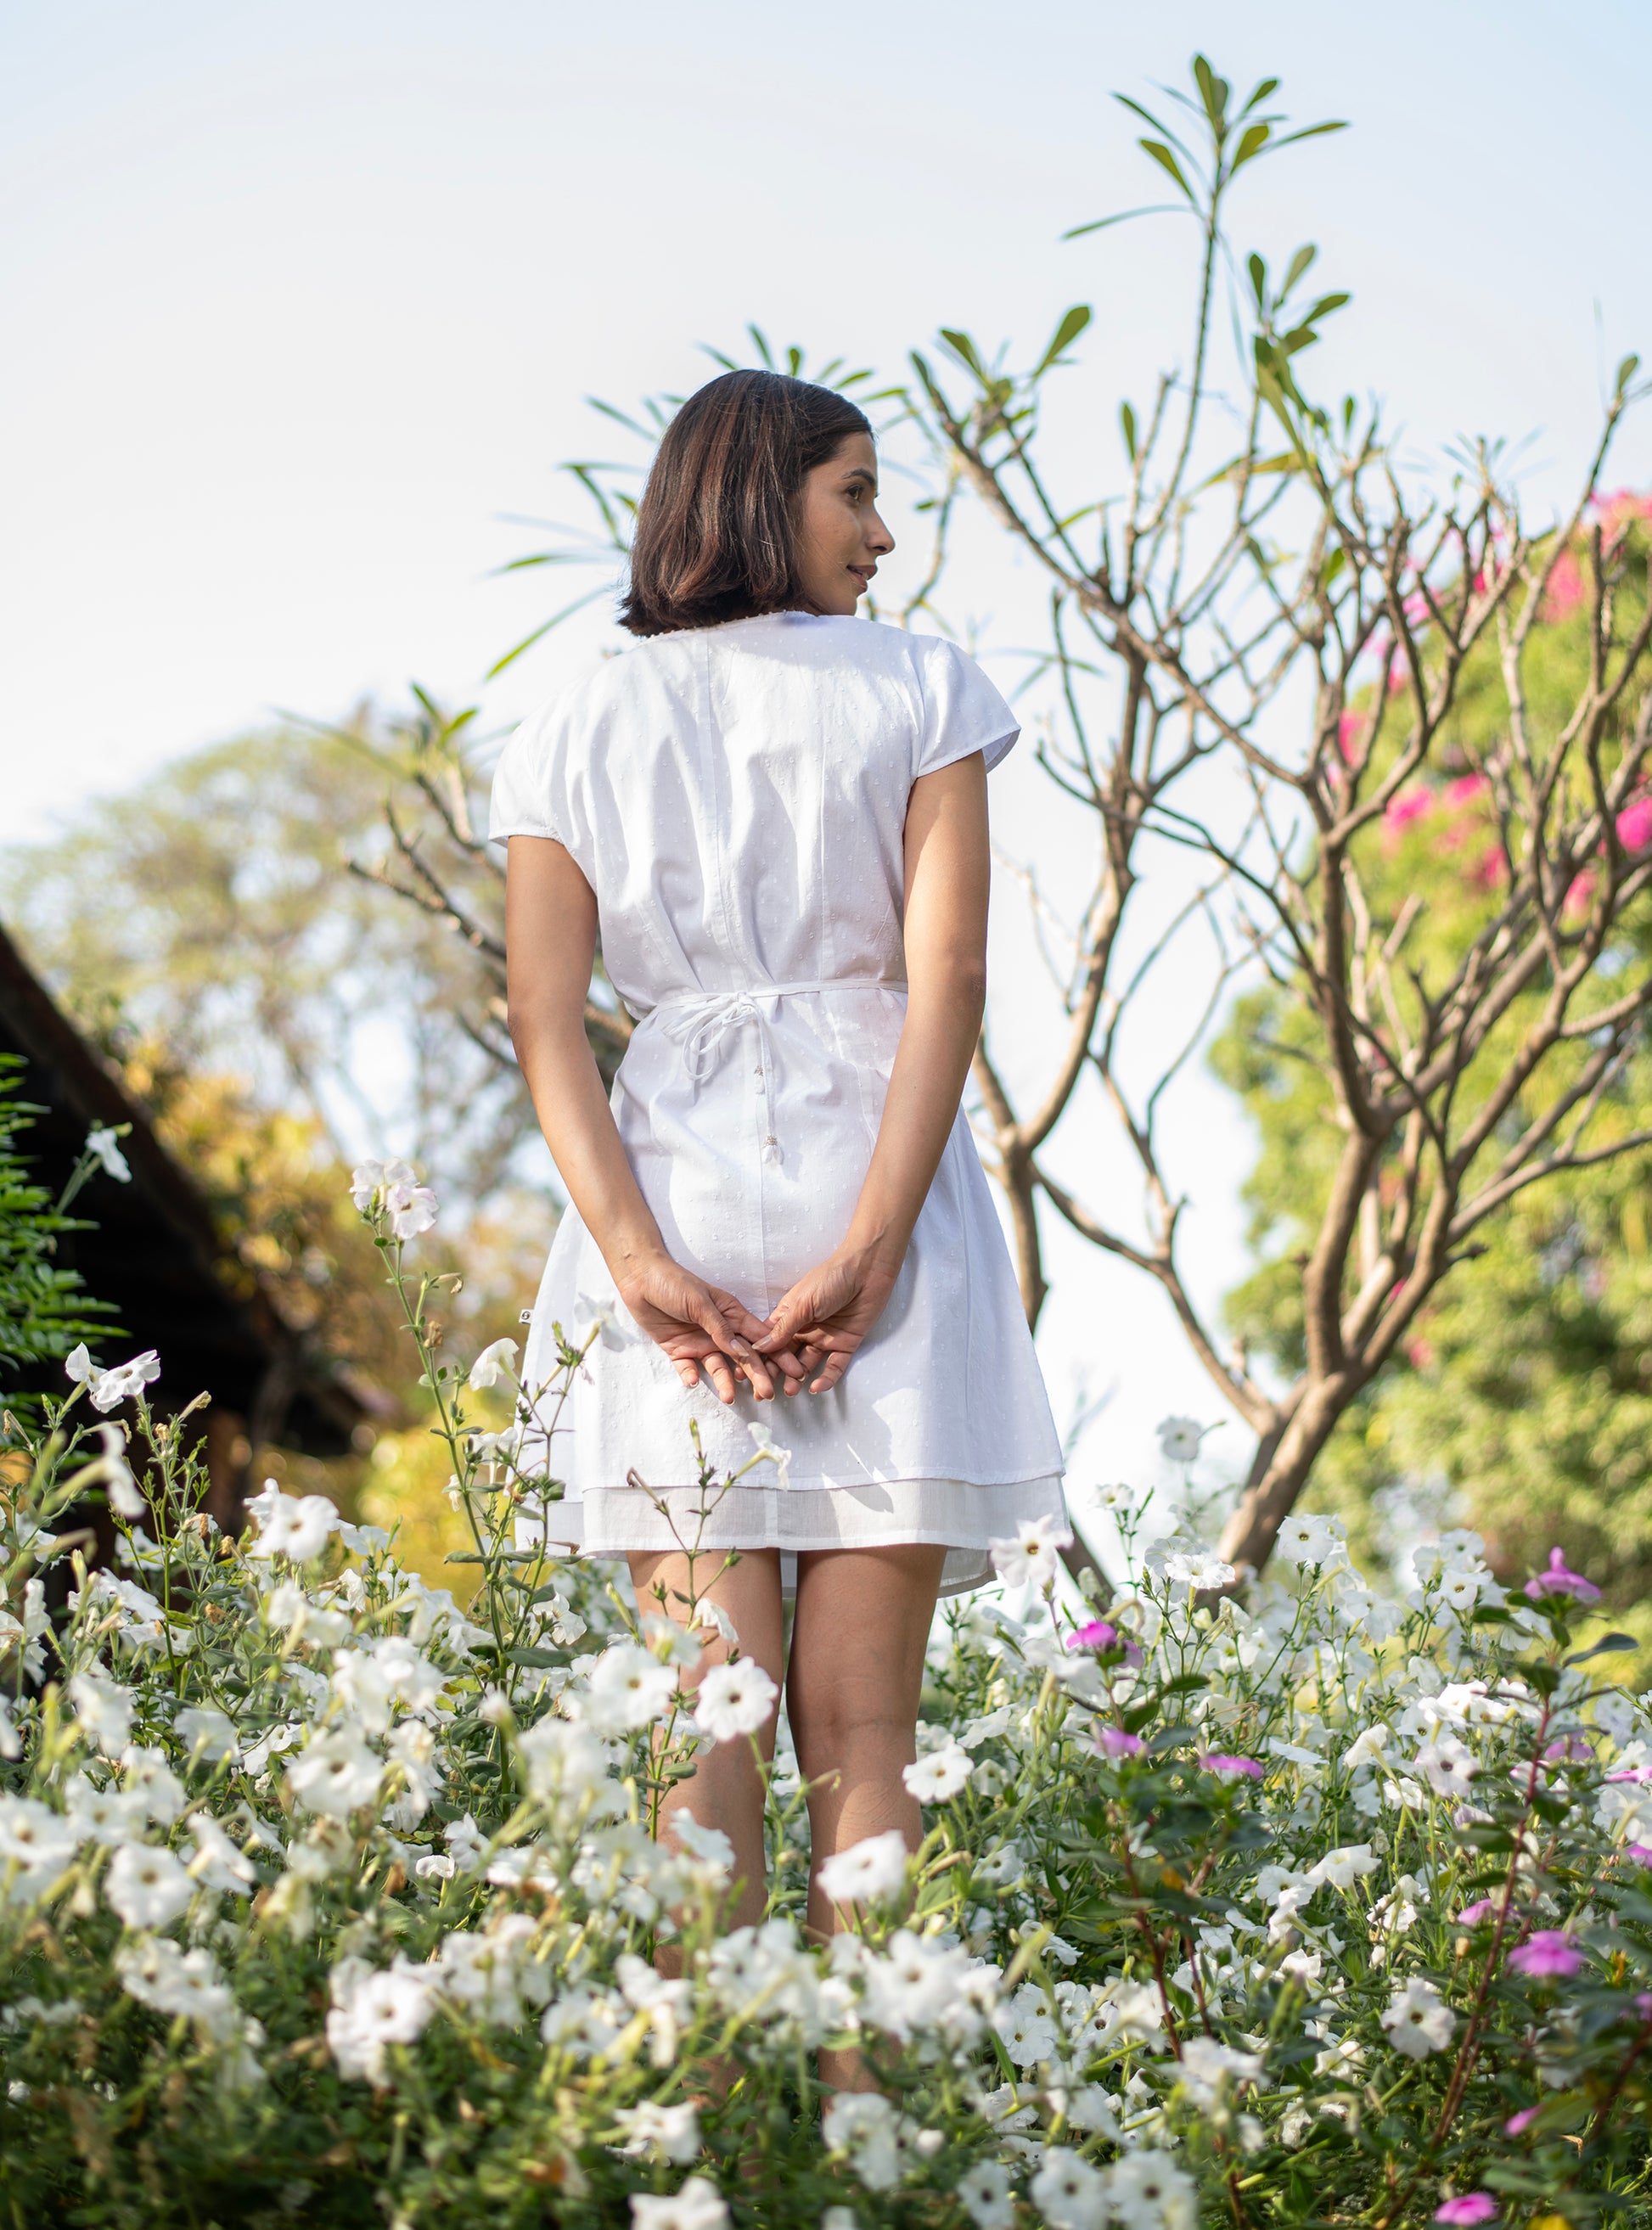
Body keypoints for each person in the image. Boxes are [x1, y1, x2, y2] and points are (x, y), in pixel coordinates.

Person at [491, 370, 1068, 2069]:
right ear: (759, 494)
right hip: (873, 1180)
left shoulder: (571, 715)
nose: (881, 535)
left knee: (702, 1722)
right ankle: (859, 2133)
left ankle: (706, 2138)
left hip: (667, 1191)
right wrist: (875, 1245)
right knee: (865, 1731)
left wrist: (634, 1261)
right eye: (854, 492)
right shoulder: (922, 685)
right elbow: (948, 978)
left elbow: (543, 1019)